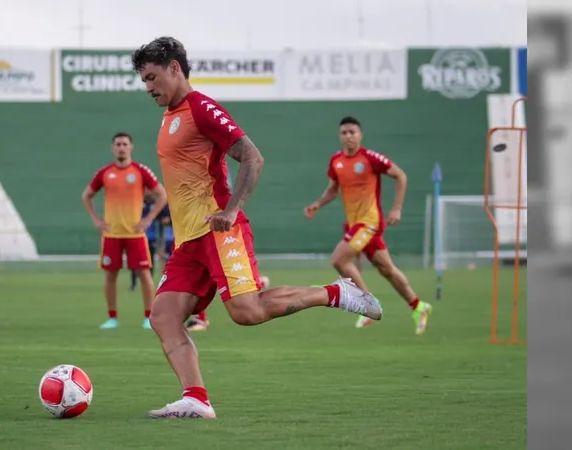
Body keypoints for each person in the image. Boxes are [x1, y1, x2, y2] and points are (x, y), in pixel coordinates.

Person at [131, 37, 382, 420]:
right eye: (144, 80)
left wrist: (232, 210)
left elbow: (252, 157)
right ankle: (196, 397)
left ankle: (333, 292)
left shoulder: (201, 107)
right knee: (163, 316)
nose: (148, 87)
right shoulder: (171, 114)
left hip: (219, 228)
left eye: (152, 77)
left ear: (175, 69)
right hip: (189, 240)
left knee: (246, 312)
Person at [304, 116, 432, 334]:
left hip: (369, 222)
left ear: (360, 135)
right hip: (356, 224)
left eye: (352, 132)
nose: (348, 136)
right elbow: (333, 189)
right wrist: (318, 204)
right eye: (344, 133)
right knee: (387, 269)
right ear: (340, 136)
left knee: (338, 259)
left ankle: (367, 304)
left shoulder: (370, 158)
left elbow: (400, 175)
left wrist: (397, 208)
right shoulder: (336, 161)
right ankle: (418, 306)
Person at [82, 132, 168, 330]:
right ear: (113, 148)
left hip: (135, 234)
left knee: (144, 275)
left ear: (131, 147)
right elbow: (87, 195)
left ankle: (149, 317)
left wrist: (148, 218)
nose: (121, 147)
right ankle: (112, 318)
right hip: (111, 234)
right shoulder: (105, 173)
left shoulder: (140, 171)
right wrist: (96, 219)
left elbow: (162, 194)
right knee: (110, 276)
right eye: (118, 144)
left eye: (125, 144)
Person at [130, 196, 166, 291]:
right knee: (134, 260)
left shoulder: (156, 204)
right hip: (138, 236)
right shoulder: (138, 202)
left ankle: (148, 282)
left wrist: (165, 219)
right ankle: (134, 283)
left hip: (152, 237)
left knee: (150, 261)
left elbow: (163, 217)